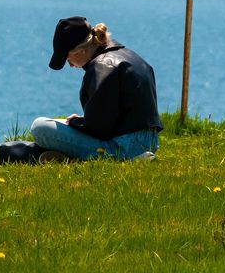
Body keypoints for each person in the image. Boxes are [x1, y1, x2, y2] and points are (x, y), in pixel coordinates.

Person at [29, 16, 163, 163]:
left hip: (123, 145)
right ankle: (75, 158)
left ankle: (120, 158)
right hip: (149, 141)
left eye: (68, 59)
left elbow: (99, 129)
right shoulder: (131, 56)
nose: (71, 65)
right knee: (59, 123)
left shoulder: (101, 67)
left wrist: (76, 123)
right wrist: (81, 120)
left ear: (80, 50)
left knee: (40, 127)